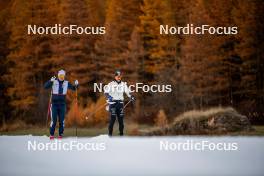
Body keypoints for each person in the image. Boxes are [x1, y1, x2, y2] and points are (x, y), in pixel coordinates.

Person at [44, 69, 78, 139]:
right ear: (58, 76)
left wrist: (76, 84)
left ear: (64, 76)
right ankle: (51, 135)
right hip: (54, 104)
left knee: (61, 120)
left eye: (62, 76)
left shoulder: (66, 83)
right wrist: (50, 81)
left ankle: (60, 134)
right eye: (60, 76)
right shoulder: (54, 81)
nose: (61, 77)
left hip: (62, 104)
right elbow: (45, 86)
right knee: (54, 120)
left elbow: (74, 89)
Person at [104, 70, 135, 136]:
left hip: (120, 104)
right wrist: (109, 97)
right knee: (113, 119)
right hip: (113, 103)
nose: (119, 77)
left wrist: (131, 96)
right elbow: (106, 92)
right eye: (117, 76)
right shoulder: (111, 84)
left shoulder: (123, 84)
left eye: (120, 76)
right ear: (115, 77)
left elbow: (128, 92)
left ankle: (121, 135)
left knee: (121, 120)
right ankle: (110, 135)